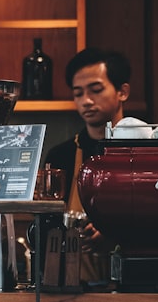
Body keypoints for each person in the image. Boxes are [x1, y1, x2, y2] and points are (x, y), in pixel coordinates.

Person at [43, 48, 131, 285]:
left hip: (135, 287)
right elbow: (47, 228)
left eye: (96, 90)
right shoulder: (61, 156)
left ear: (122, 92)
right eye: (78, 93)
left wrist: (114, 236)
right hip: (74, 288)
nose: (86, 101)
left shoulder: (146, 151)